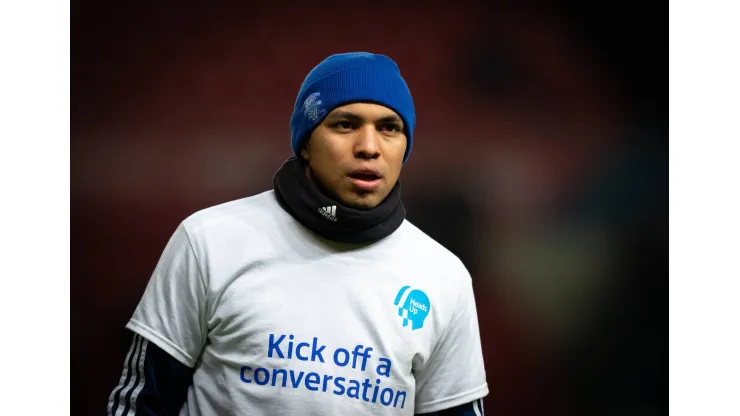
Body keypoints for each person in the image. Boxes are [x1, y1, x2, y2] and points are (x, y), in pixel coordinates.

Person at [107, 52, 488, 415]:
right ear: (306, 142)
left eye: (389, 128)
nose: (369, 147)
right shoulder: (208, 241)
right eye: (345, 124)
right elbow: (140, 405)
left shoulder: (443, 276)